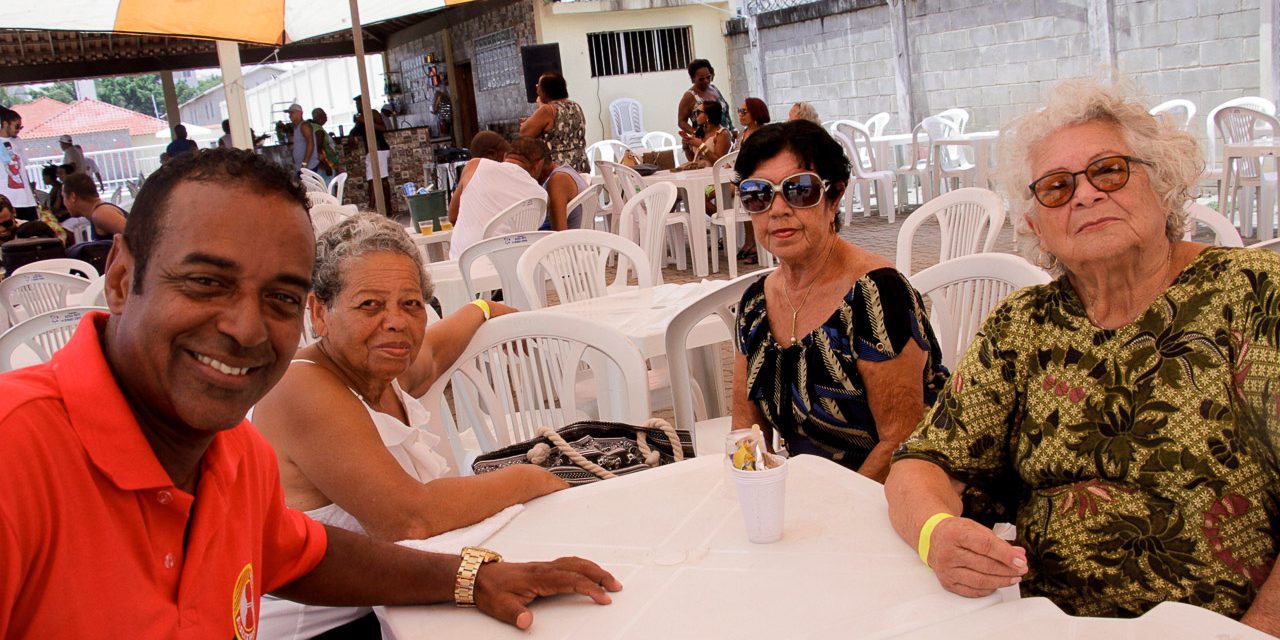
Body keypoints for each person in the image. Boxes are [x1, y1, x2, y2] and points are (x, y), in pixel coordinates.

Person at [0, 147, 621, 637]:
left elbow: (309, 557)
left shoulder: (230, 456)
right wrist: (538, 475)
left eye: (279, 298)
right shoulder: (17, 454)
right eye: (205, 282)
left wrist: (470, 578)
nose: (245, 328)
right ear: (120, 279)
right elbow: (406, 516)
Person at [884, 78, 1280, 632]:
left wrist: (1255, 633)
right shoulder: (1023, 325)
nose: (1086, 195)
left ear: (1161, 184)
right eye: (1056, 187)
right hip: (1045, 620)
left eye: (1109, 171)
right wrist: (936, 534)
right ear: (1036, 226)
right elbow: (921, 463)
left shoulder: (1256, 295)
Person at [253, 213, 571, 636]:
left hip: (403, 600)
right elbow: (410, 517)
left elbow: (435, 354)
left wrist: (483, 308)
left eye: (411, 304)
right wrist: (535, 476)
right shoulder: (297, 388)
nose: (396, 321)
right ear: (320, 312)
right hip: (328, 627)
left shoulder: (378, 366)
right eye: (370, 304)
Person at [731, 120, 947, 482]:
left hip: (899, 489)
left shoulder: (876, 294)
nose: (778, 208)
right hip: (810, 493)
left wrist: (833, 514)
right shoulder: (755, 304)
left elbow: (902, 440)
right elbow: (746, 429)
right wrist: (755, 493)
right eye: (758, 193)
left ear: (834, 198)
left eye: (799, 190)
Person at [448, 137, 550, 260]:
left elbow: (453, 216)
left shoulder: (475, 165)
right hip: (508, 267)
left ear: (506, 155)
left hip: (463, 264)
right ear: (538, 164)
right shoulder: (540, 195)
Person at [519, 72, 587, 173]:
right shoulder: (575, 106)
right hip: (580, 164)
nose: (537, 89)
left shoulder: (547, 110)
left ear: (546, 91)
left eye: (539, 86)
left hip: (558, 169)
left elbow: (524, 133)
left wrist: (540, 107)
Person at [735, 98, 771, 263]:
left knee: (744, 194)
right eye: (739, 111)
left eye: (744, 111)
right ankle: (749, 242)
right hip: (742, 177)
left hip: (760, 179)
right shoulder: (741, 134)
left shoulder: (763, 135)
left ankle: (759, 246)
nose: (740, 115)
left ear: (755, 113)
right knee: (728, 192)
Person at [677, 59, 734, 160]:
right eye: (701, 79)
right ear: (693, 78)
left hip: (725, 136)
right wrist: (696, 133)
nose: (706, 81)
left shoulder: (714, 89)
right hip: (708, 141)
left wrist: (732, 130)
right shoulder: (690, 96)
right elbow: (681, 121)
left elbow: (725, 112)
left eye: (708, 77)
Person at [350, 95, 393, 213]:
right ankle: (378, 208)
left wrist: (364, 120)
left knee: (380, 180)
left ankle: (380, 208)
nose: (357, 106)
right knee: (373, 180)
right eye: (356, 104)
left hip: (379, 149)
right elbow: (355, 132)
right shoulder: (361, 117)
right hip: (372, 150)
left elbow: (383, 128)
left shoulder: (372, 113)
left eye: (358, 103)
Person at [62, 172, 127, 240]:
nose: (64, 203)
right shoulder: (98, 212)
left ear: (73, 197)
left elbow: (136, 236)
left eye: (63, 197)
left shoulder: (101, 213)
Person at [0, 106, 38, 221]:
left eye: (20, 127)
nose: (18, 130)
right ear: (5, 124)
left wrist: (32, 192)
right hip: (7, 198)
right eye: (16, 126)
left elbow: (23, 170)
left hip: (26, 198)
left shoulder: (18, 141)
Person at [536, 151, 588, 231]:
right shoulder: (566, 170)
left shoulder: (558, 180)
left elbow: (559, 233)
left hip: (566, 241)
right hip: (580, 237)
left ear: (537, 165)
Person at [680, 101, 730, 167]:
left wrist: (701, 145)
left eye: (698, 112)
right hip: (698, 172)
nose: (695, 115)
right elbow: (693, 160)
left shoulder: (722, 134)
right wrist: (686, 147)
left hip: (714, 173)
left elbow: (719, 163)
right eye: (694, 112)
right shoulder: (699, 132)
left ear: (708, 115)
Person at [286, 103, 318, 175]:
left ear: (300, 113)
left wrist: (304, 164)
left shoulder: (304, 126)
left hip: (309, 167)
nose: (289, 115)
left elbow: (311, 145)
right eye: (289, 113)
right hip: (302, 167)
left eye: (292, 113)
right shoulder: (296, 127)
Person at [310, 108, 341, 179]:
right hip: (325, 165)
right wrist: (326, 165)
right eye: (324, 115)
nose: (326, 117)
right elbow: (318, 149)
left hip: (323, 165)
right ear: (318, 117)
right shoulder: (318, 130)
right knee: (327, 188)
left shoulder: (314, 127)